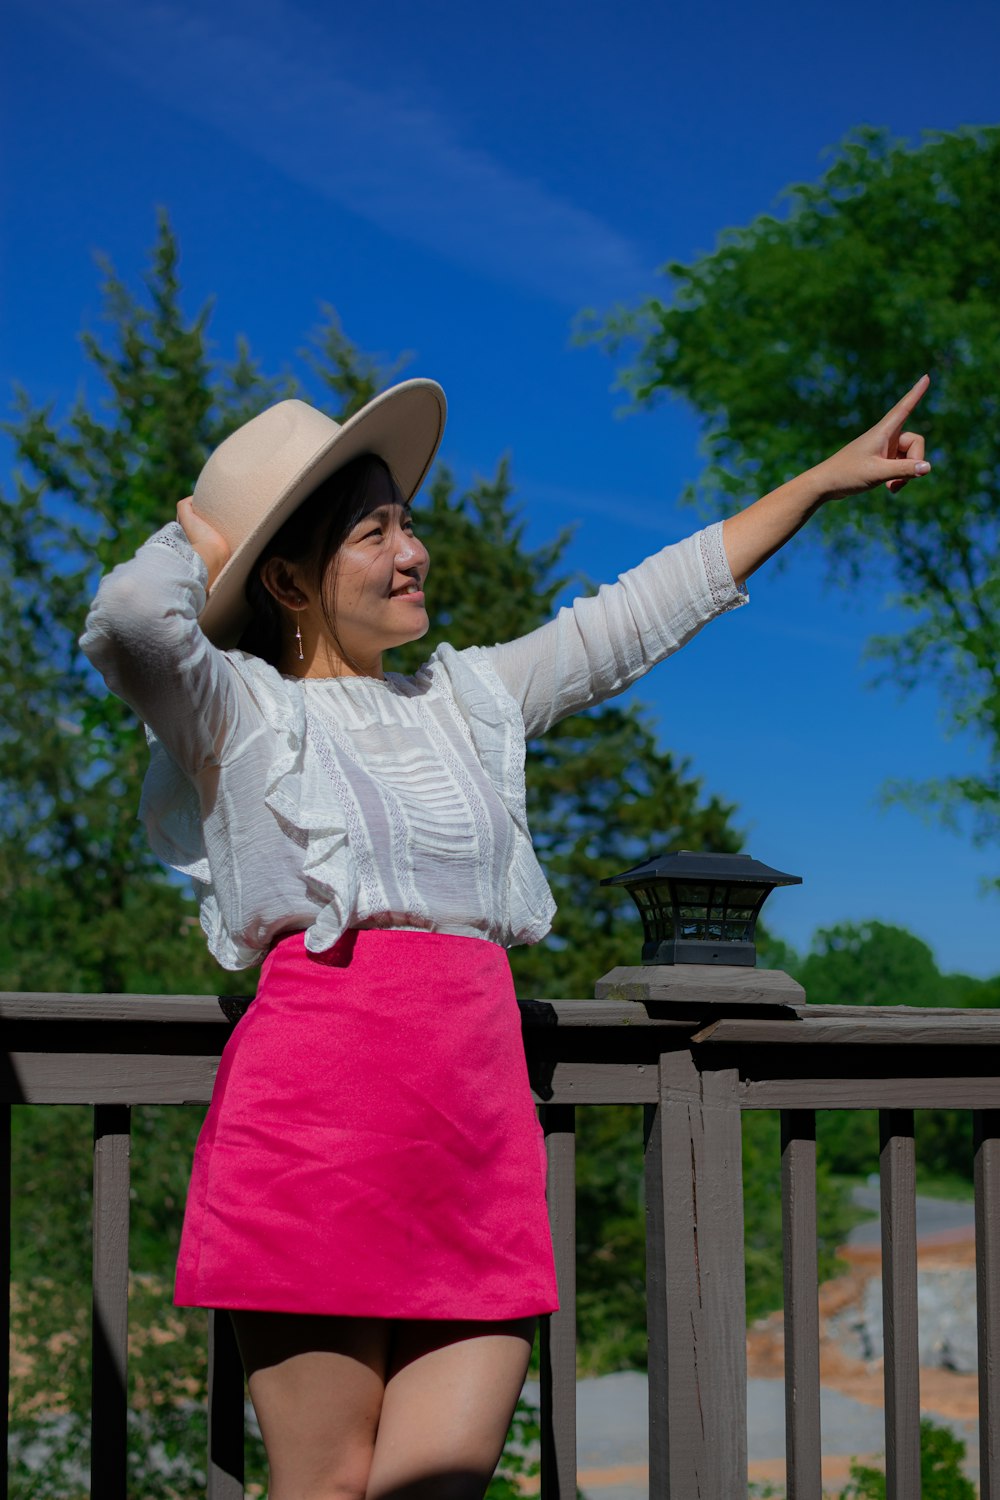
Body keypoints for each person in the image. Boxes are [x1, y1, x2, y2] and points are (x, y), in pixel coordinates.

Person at [81, 373, 931, 1500]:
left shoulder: (470, 699)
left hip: (473, 1135)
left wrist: (818, 483)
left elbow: (637, 614)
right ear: (285, 576)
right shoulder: (241, 712)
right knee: (326, 1485)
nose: (413, 550)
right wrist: (199, 540)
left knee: (443, 1483)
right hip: (312, 1133)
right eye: (373, 531)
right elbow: (131, 623)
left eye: (408, 522)